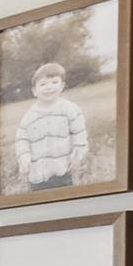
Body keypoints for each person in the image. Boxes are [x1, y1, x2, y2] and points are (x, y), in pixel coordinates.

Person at [14, 60, 91, 191]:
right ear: (34, 91)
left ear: (62, 86)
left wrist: (77, 156)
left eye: (54, 82)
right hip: (37, 174)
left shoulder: (70, 109)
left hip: (63, 170)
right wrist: (24, 158)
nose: (49, 87)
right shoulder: (29, 116)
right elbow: (22, 139)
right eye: (43, 84)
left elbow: (79, 135)